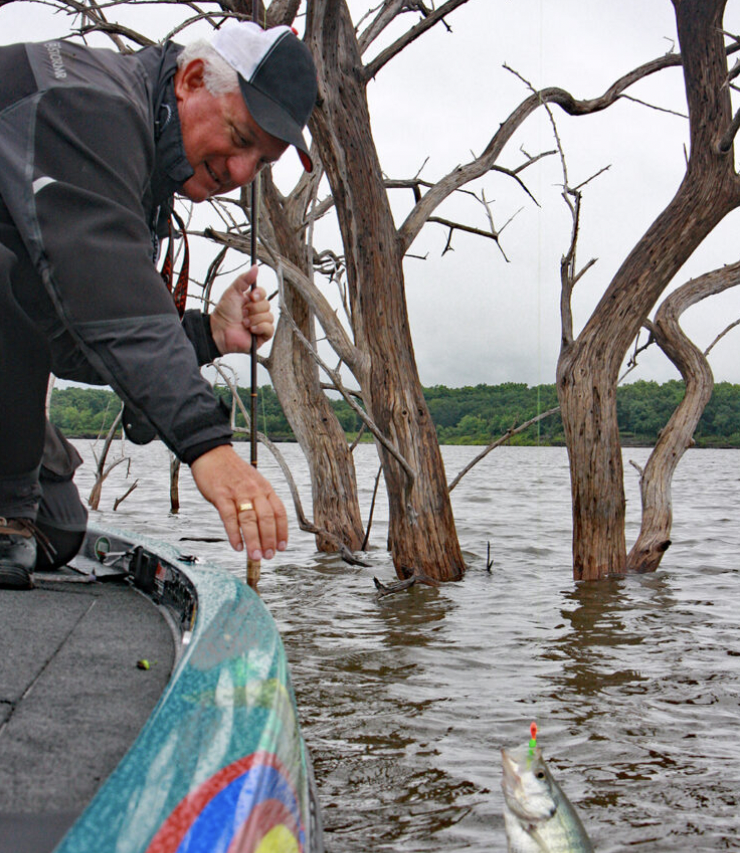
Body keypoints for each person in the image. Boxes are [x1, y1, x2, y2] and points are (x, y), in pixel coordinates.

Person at [0, 21, 318, 588]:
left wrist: (208, 335)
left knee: (56, 531)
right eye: (240, 137)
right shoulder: (88, 107)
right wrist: (206, 443)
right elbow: (111, 291)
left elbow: (71, 338)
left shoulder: (139, 160)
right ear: (191, 79)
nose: (240, 173)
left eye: (261, 162)